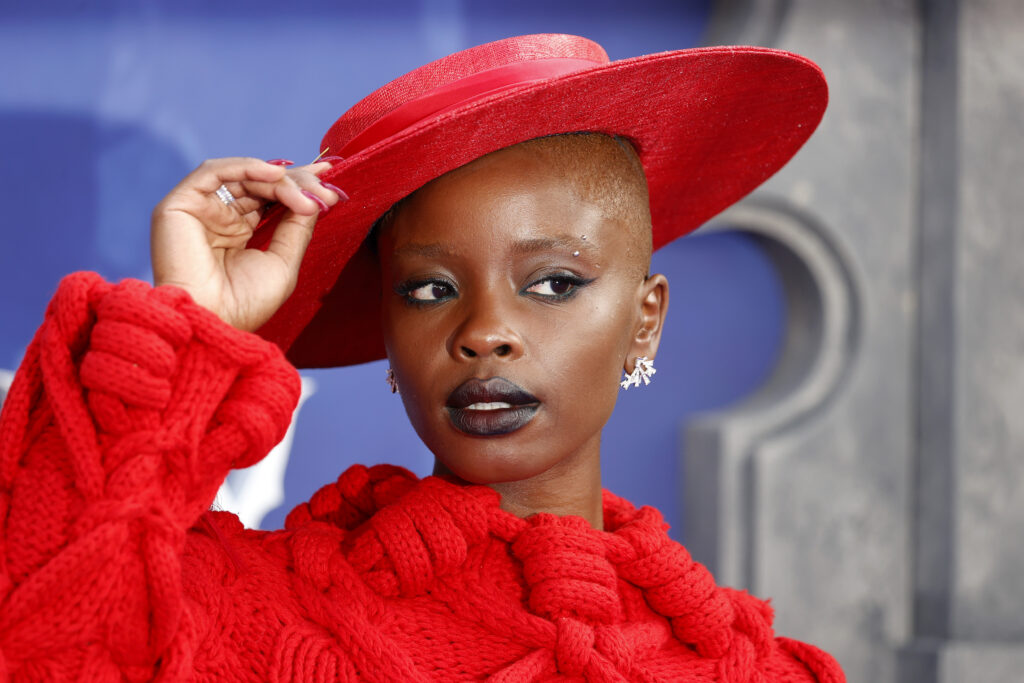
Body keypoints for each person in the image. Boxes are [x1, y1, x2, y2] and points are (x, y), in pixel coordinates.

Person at [0, 34, 844, 681]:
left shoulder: (756, 668)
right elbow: (42, 646)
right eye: (430, 289)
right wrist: (190, 315)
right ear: (388, 333)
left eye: (553, 283)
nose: (485, 331)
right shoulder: (254, 613)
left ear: (645, 321)